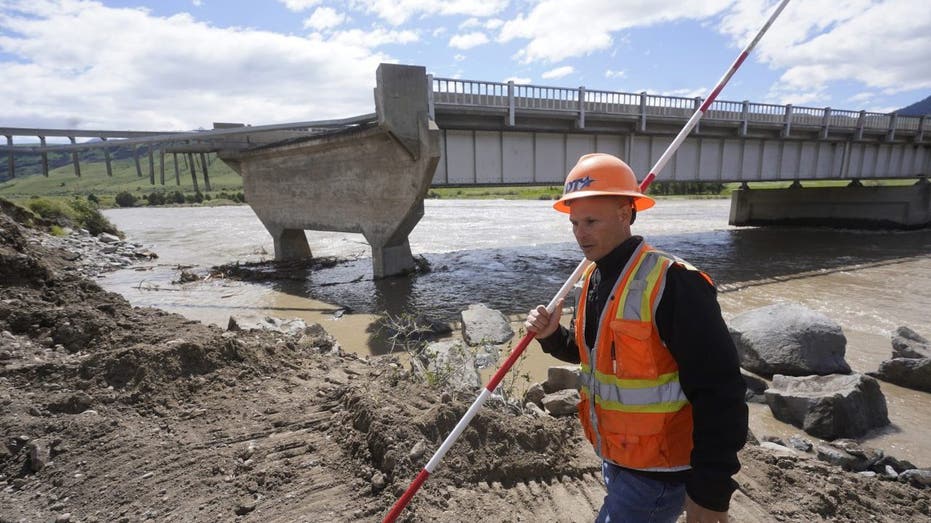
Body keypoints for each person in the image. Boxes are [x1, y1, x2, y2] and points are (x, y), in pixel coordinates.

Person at [524, 153, 748, 523]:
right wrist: (553, 337)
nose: (581, 233)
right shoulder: (594, 280)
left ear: (626, 213)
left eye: (591, 221)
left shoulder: (674, 282)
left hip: (659, 470)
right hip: (618, 455)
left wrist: (709, 495)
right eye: (575, 223)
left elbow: (720, 391)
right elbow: (597, 357)